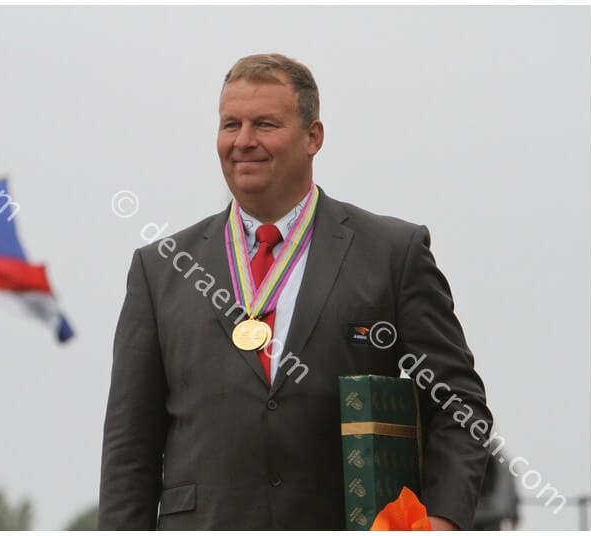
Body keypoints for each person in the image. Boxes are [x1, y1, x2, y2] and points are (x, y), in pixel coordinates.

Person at [99, 53, 493, 530]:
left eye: (265, 124)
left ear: (313, 137)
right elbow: (129, 447)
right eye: (231, 125)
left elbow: (458, 406)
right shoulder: (161, 269)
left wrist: (441, 521)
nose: (244, 141)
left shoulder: (392, 254)